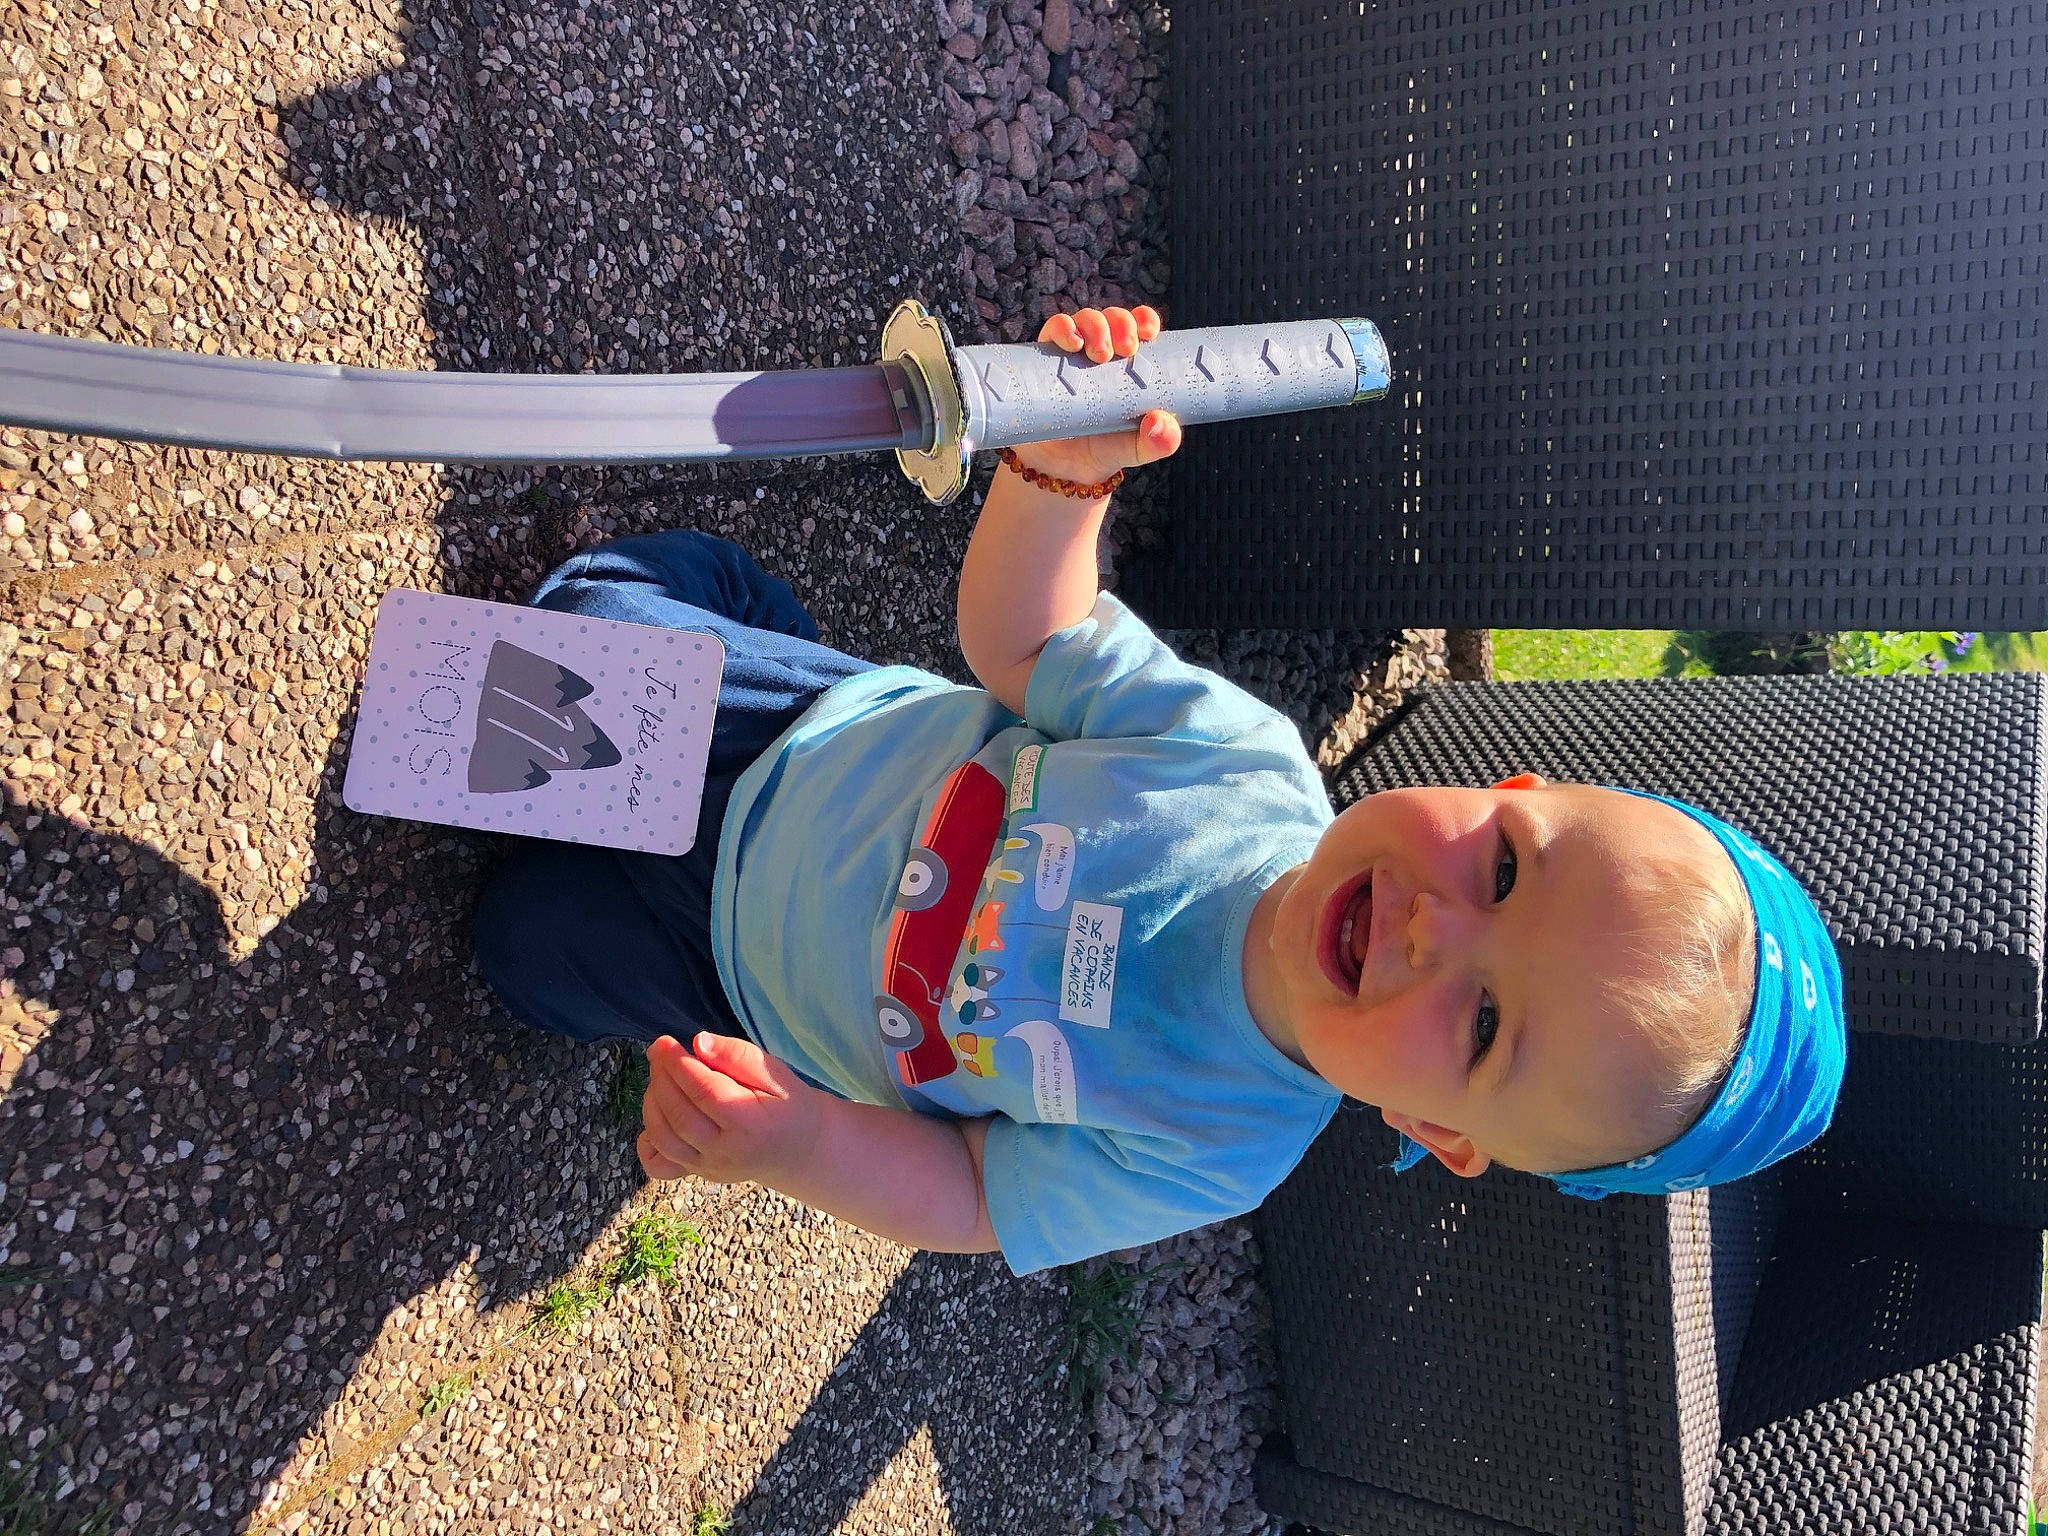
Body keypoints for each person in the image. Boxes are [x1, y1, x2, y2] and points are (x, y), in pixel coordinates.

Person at [474, 305, 1848, 1275]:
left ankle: (685, 693)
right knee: (519, 676)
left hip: (735, 976)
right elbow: (1025, 644)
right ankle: (726, 601)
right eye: (1502, 871)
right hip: (793, 745)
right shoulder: (1239, 769)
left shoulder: (1221, 1149)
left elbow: (973, 1191)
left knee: (520, 946)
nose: (1437, 932)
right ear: (1508, 784)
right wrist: (1062, 483)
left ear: (1440, 1133)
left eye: (1485, 1024)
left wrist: (796, 1141)